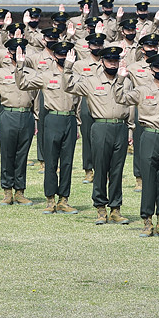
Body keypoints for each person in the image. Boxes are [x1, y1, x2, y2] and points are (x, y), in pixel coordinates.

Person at [116, 53, 159, 237]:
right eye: (158, 67)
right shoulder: (142, 90)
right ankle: (147, 221)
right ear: (152, 70)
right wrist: (120, 79)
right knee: (148, 181)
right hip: (148, 136)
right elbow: (120, 98)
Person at [66, 45, 131, 225]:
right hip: (101, 127)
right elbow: (68, 85)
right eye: (109, 60)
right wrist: (68, 67)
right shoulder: (91, 80)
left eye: (115, 60)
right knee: (100, 169)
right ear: (101, 61)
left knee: (117, 171)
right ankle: (101, 208)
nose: (112, 64)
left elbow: (131, 105)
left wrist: (131, 128)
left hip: (121, 127)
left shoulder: (125, 80)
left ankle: (116, 209)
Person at [15, 41, 79, 214]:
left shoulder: (76, 76)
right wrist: (19, 66)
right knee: (50, 161)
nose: (63, 58)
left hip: (70, 120)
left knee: (67, 162)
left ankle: (63, 200)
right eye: (60, 54)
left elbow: (79, 102)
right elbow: (23, 85)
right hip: (52, 119)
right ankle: (50, 200)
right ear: (54, 56)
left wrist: (78, 124)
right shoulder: (45, 75)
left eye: (67, 55)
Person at [0, 38, 35, 206]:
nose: (20, 54)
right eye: (16, 51)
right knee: (7, 154)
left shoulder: (32, 73)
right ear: (9, 53)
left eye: (22, 51)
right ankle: (7, 191)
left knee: (22, 155)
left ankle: (20, 191)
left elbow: (39, 97)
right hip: (8, 114)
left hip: (26, 115)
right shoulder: (0, 73)